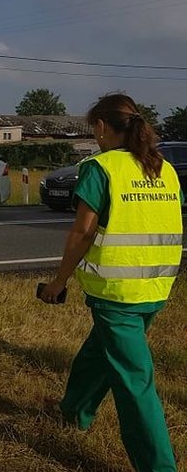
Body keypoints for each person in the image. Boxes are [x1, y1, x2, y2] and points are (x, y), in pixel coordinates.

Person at [41, 93, 182, 472]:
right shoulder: (163, 168)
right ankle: (74, 411)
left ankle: (159, 466)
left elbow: (83, 232)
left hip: (116, 293)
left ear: (102, 127)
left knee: (135, 383)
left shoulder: (99, 168)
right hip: (155, 289)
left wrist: (59, 281)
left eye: (94, 129)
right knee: (100, 351)